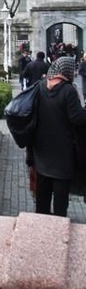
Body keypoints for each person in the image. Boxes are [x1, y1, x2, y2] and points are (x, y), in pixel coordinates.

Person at [27, 56, 86, 217]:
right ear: (65, 70)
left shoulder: (39, 87)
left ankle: (42, 227)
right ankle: (58, 229)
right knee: (61, 202)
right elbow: (77, 118)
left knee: (42, 198)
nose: (74, 72)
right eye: (72, 69)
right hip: (63, 154)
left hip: (41, 151)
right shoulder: (68, 90)